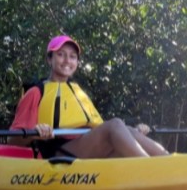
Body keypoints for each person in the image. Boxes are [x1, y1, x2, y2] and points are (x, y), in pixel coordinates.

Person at [9, 35, 168, 158]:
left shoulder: (77, 92)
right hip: (57, 151)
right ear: (49, 59)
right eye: (60, 54)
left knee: (127, 129)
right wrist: (34, 131)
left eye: (72, 56)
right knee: (115, 124)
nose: (67, 61)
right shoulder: (36, 92)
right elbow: (13, 141)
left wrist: (133, 131)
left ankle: (169, 160)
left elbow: (98, 127)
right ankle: (153, 168)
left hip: (84, 146)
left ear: (77, 62)